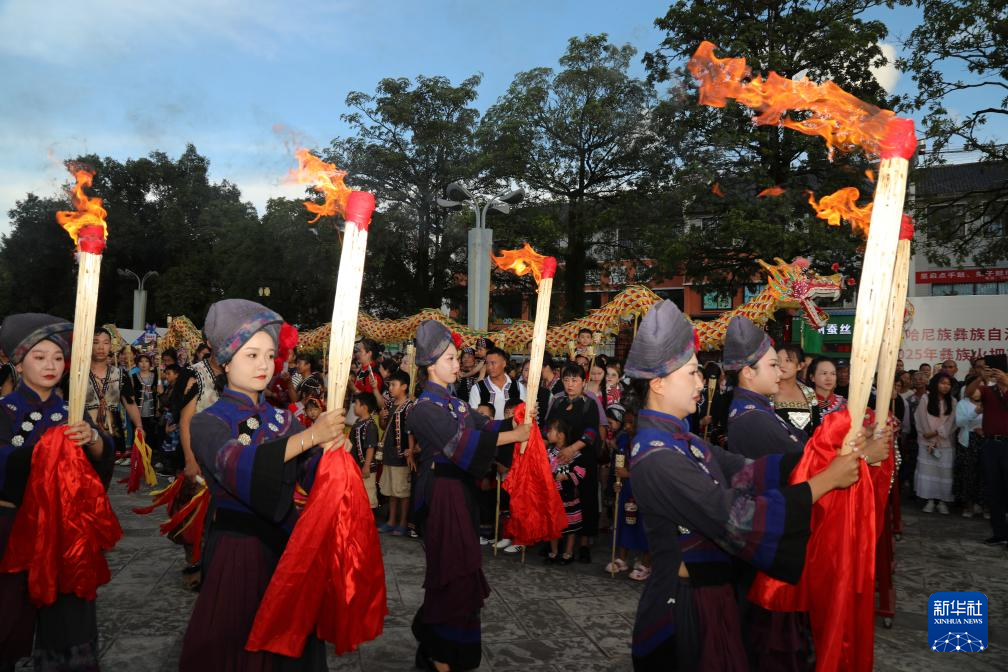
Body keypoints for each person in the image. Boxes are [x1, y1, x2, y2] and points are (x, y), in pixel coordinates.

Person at [622, 300, 866, 671]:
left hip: (710, 594)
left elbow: (748, 472)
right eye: (692, 373)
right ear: (658, 383)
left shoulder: (681, 439)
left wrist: (833, 455)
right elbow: (735, 518)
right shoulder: (657, 456)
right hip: (684, 609)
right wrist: (825, 481)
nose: (702, 383)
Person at [179, 299, 346, 671]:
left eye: (270, 356)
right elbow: (236, 465)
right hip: (239, 553)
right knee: (241, 647)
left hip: (289, 551)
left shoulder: (284, 420)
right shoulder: (209, 422)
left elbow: (311, 474)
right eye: (251, 355)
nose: (263, 365)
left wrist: (333, 453)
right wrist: (311, 436)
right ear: (225, 361)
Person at [406, 320, 530, 672]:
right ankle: (438, 652)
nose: (457, 364)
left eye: (456, 357)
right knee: (452, 573)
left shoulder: (455, 403)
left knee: (463, 570)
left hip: (460, 493)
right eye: (449, 359)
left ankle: (439, 646)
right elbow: (460, 444)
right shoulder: (424, 408)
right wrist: (515, 435)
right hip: (441, 497)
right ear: (431, 366)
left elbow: (486, 426)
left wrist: (516, 422)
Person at [0, 314, 114, 671]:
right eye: (39, 357)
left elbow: (100, 465)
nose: (51, 365)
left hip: (66, 531)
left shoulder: (72, 414)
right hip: (13, 528)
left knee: (68, 619)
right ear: (18, 363)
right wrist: (48, 449)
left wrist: (92, 439)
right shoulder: (4, 411)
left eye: (57, 357)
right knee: (9, 617)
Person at [545, 362, 603, 563]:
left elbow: (591, 432)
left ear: (583, 382)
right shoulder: (558, 402)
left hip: (582, 458)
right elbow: (548, 428)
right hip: (558, 458)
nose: (570, 384)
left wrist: (572, 449)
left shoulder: (589, 404)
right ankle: (557, 541)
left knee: (585, 499)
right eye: (566, 379)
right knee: (560, 498)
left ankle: (584, 544)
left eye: (574, 380)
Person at [963, 363, 1008, 545]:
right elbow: (969, 393)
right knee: (994, 489)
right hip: (990, 444)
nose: (997, 373)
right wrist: (980, 377)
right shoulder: (988, 391)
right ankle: (999, 533)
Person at [605, 404, 650, 580]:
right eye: (626, 423)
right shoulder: (623, 439)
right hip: (626, 488)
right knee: (624, 521)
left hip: (644, 490)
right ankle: (622, 558)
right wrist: (617, 482)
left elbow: (652, 469)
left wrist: (629, 474)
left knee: (644, 525)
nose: (627, 427)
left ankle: (646, 562)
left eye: (631, 423)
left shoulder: (649, 442)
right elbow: (618, 465)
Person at [86, 328, 143, 460]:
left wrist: (139, 426)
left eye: (105, 343)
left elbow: (130, 403)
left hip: (111, 434)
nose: (101, 347)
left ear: (111, 346)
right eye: (96, 342)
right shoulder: (77, 373)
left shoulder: (120, 375)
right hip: (84, 432)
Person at [378, 370, 415, 535]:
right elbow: (384, 427)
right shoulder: (390, 405)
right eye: (390, 385)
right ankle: (391, 521)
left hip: (401, 456)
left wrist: (411, 450)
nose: (390, 388)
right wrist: (382, 417)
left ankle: (403, 522)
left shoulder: (409, 406)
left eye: (394, 385)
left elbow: (411, 430)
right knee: (391, 491)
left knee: (403, 491)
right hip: (389, 454)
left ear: (404, 387)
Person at [915, 372, 957, 514]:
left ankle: (942, 501)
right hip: (927, 442)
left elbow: (952, 422)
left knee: (944, 473)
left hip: (945, 443)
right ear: (935, 384)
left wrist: (937, 433)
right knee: (928, 471)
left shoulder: (953, 401)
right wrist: (929, 435)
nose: (945, 386)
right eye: (942, 383)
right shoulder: (925, 399)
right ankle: (930, 500)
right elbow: (921, 418)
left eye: (948, 384)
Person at [544, 418, 584, 565]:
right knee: (553, 523)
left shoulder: (574, 453)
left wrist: (567, 476)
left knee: (571, 524)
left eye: (551, 431)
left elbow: (581, 471)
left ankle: (568, 552)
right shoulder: (549, 452)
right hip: (552, 495)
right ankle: (554, 551)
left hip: (568, 495)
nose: (548, 433)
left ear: (561, 435)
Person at [772, 344, 821, 435]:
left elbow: (816, 429)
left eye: (788, 360)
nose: (781, 365)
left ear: (800, 366)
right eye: (778, 360)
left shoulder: (809, 393)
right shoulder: (767, 391)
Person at [469, 346, 525, 420]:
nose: (489, 367)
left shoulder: (519, 387)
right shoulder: (477, 388)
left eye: (493, 363)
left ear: (504, 363)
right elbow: (473, 417)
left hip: (514, 427)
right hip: (488, 428)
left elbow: (525, 412)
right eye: (487, 363)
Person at [954, 386, 985, 518]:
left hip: (986, 440)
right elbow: (959, 422)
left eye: (980, 388)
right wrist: (976, 412)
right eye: (974, 388)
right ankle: (969, 504)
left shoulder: (989, 402)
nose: (977, 392)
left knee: (985, 473)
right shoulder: (963, 403)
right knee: (968, 473)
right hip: (969, 441)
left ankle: (983, 504)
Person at [350, 393, 380, 512]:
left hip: (366, 468)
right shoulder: (358, 422)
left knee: (368, 493)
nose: (354, 406)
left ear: (364, 407)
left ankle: (369, 518)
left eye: (356, 403)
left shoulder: (370, 426)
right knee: (359, 493)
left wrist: (366, 466)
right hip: (357, 466)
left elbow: (370, 447)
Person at [132, 353, 160, 457]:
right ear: (137, 364)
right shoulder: (133, 377)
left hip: (153, 410)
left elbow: (160, 392)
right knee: (139, 431)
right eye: (141, 361)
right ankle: (139, 455)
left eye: (146, 361)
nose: (143, 364)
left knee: (151, 431)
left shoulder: (156, 375)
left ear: (150, 363)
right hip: (139, 410)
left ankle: (150, 455)